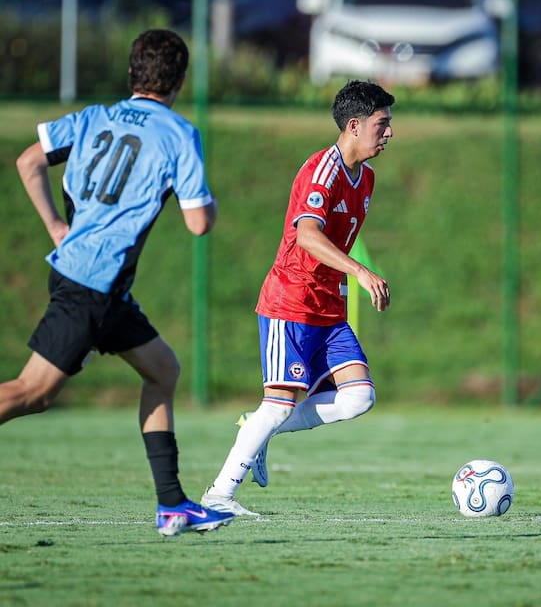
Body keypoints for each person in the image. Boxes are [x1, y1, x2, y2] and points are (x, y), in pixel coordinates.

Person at [0, 29, 235, 537]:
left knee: (163, 370)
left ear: (132, 74)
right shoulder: (177, 133)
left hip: (91, 279)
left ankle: (173, 505)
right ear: (178, 81)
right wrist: (208, 203)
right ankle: (172, 504)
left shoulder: (93, 117)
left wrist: (55, 227)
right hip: (93, 284)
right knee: (31, 393)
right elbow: (199, 223)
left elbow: (28, 161)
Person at [201, 80, 395, 516]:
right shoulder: (321, 170)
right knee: (278, 402)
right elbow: (306, 235)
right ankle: (219, 495)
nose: (389, 134)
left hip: (329, 309)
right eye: (382, 125)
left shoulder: (366, 178)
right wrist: (360, 271)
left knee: (359, 397)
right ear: (354, 125)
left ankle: (261, 432)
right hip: (290, 303)